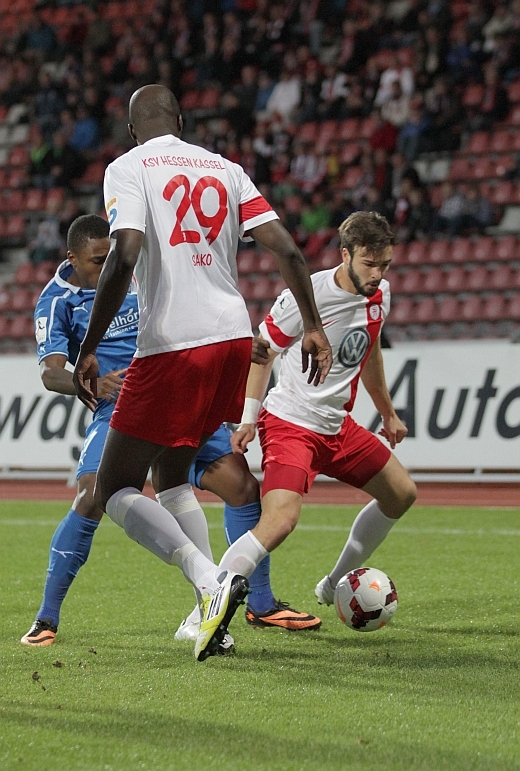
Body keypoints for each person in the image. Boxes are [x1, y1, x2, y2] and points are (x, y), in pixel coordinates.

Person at [72, 85, 331, 662]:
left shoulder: (128, 167)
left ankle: (212, 581)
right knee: (171, 476)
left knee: (112, 489)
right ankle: (208, 617)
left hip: (173, 344)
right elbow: (288, 249)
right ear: (182, 121)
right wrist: (312, 325)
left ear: (133, 131)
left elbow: (126, 252)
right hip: (233, 339)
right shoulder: (225, 169)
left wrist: (89, 345)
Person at [22, 215, 320, 649]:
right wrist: (94, 385)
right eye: (97, 261)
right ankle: (47, 618)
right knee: (92, 495)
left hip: (178, 388)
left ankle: (255, 603)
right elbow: (51, 374)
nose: (107, 268)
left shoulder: (135, 269)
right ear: (72, 258)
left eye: (110, 258)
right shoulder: (57, 302)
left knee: (240, 486)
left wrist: (235, 338)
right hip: (119, 406)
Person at [219, 212, 417, 608]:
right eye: (369, 263)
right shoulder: (307, 295)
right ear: (345, 254)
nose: (377, 274)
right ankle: (207, 602)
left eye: (384, 265)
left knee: (401, 494)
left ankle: (334, 584)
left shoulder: (380, 294)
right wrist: (248, 419)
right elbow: (263, 353)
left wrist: (388, 413)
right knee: (280, 522)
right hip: (291, 424)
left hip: (337, 427)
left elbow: (370, 352)